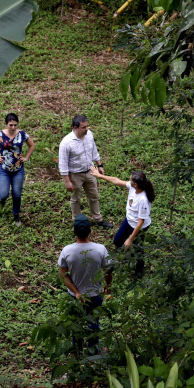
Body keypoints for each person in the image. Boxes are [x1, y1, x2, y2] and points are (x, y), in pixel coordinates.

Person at [58, 214, 112, 353]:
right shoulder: (100, 249)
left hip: (75, 296)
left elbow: (63, 275)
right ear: (90, 231)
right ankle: (93, 349)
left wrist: (77, 293)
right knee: (94, 322)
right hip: (95, 294)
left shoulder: (67, 250)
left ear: (74, 232)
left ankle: (76, 347)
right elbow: (108, 272)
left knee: (76, 322)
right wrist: (108, 286)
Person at [58, 115, 113, 228]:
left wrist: (100, 165)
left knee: (94, 196)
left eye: (87, 126)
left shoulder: (89, 135)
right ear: (75, 127)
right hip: (75, 174)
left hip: (90, 171)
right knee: (76, 198)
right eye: (83, 127)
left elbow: (94, 150)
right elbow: (63, 164)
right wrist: (67, 181)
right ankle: (77, 221)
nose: (86, 129)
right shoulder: (66, 142)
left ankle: (98, 219)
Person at [0, 113, 35, 226]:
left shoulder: (22, 134)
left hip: (18, 169)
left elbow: (32, 145)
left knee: (17, 194)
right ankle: (1, 203)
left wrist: (26, 157)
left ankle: (16, 214)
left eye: (15, 125)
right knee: (3, 194)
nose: (13, 128)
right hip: (4, 169)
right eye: (10, 125)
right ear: (6, 124)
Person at [89, 167, 154, 249]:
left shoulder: (143, 200)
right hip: (129, 220)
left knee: (137, 250)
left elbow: (140, 222)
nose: (129, 181)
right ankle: (123, 254)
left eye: (130, 180)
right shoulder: (133, 188)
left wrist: (130, 239)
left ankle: (136, 260)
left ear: (135, 184)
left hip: (138, 226)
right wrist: (99, 176)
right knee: (117, 241)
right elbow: (116, 181)